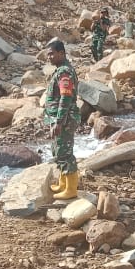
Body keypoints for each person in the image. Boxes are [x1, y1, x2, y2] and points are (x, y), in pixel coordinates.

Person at [43, 39, 80, 199]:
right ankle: (63, 184)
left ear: (61, 53)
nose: (49, 57)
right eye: (48, 54)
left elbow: (66, 97)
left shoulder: (64, 72)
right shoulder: (60, 70)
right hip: (60, 119)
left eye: (52, 54)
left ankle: (71, 190)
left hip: (65, 119)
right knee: (58, 151)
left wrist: (58, 121)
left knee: (65, 153)